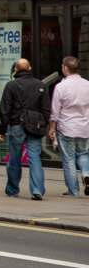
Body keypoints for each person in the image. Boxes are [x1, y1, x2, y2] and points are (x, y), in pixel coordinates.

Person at [0, 58, 50, 200]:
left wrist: (1, 129)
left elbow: (4, 110)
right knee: (35, 159)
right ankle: (37, 190)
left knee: (14, 159)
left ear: (15, 70)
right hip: (35, 127)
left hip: (16, 126)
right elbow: (46, 108)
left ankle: (13, 190)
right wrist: (43, 125)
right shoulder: (40, 85)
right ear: (30, 68)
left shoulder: (11, 85)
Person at [48, 55, 89, 198]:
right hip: (84, 127)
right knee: (83, 155)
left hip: (67, 127)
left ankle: (73, 192)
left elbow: (55, 110)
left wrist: (52, 128)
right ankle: (86, 174)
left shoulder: (61, 86)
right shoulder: (87, 84)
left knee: (69, 160)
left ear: (65, 68)